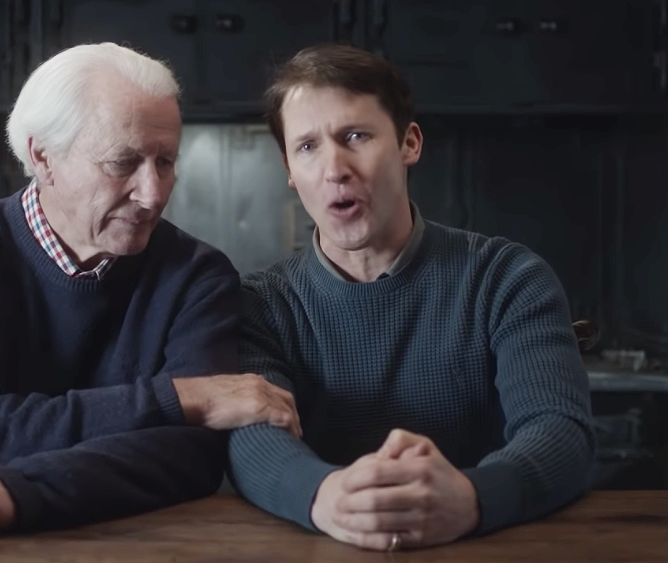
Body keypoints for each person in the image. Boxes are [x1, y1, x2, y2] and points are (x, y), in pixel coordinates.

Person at [0, 43, 300, 539]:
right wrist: (180, 398)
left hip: (131, 539)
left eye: (165, 161)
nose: (152, 193)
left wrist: (16, 491)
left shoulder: (198, 274)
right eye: (122, 162)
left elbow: (191, 458)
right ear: (44, 157)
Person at [226, 44, 596, 552]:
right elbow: (251, 437)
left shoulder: (508, 278)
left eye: (355, 136)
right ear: (289, 168)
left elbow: (560, 430)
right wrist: (323, 495)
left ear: (409, 143)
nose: (335, 168)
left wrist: (471, 496)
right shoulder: (260, 305)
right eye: (308, 147)